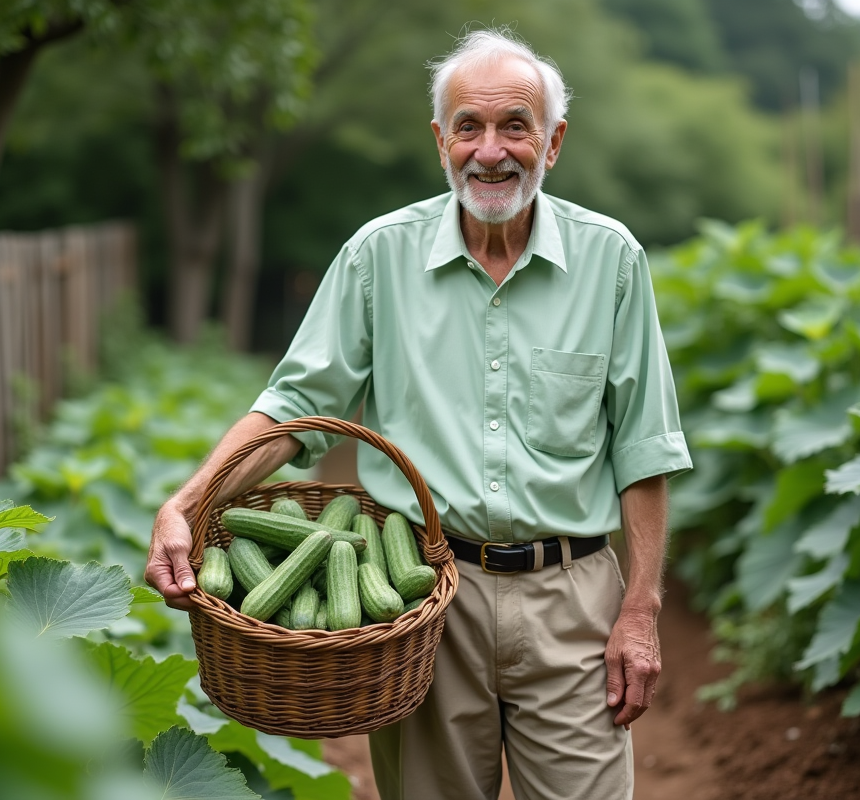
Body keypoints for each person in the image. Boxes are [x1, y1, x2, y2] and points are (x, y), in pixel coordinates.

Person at [145, 27, 692, 800]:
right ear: (441, 141)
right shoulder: (379, 257)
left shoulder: (612, 261)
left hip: (573, 603)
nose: (490, 150)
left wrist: (641, 610)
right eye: (468, 126)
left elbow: (643, 447)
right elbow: (297, 407)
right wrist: (188, 502)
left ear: (555, 140)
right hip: (421, 599)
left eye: (515, 126)